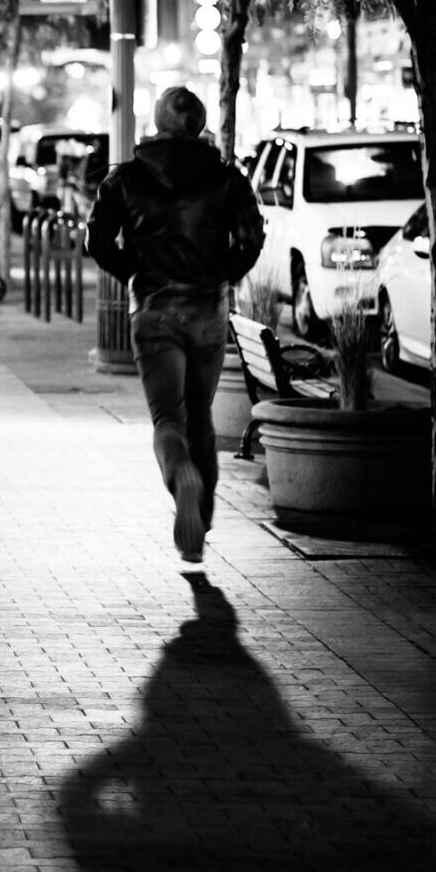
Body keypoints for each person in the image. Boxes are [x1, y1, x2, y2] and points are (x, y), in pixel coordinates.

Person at [86, 87, 265, 564]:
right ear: (200, 125)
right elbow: (251, 238)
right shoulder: (226, 177)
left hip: (153, 308)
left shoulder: (125, 179)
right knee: (201, 420)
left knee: (168, 419)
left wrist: (135, 274)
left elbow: (97, 239)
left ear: (157, 123)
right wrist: (220, 274)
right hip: (207, 309)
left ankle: (180, 476)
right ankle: (201, 523)